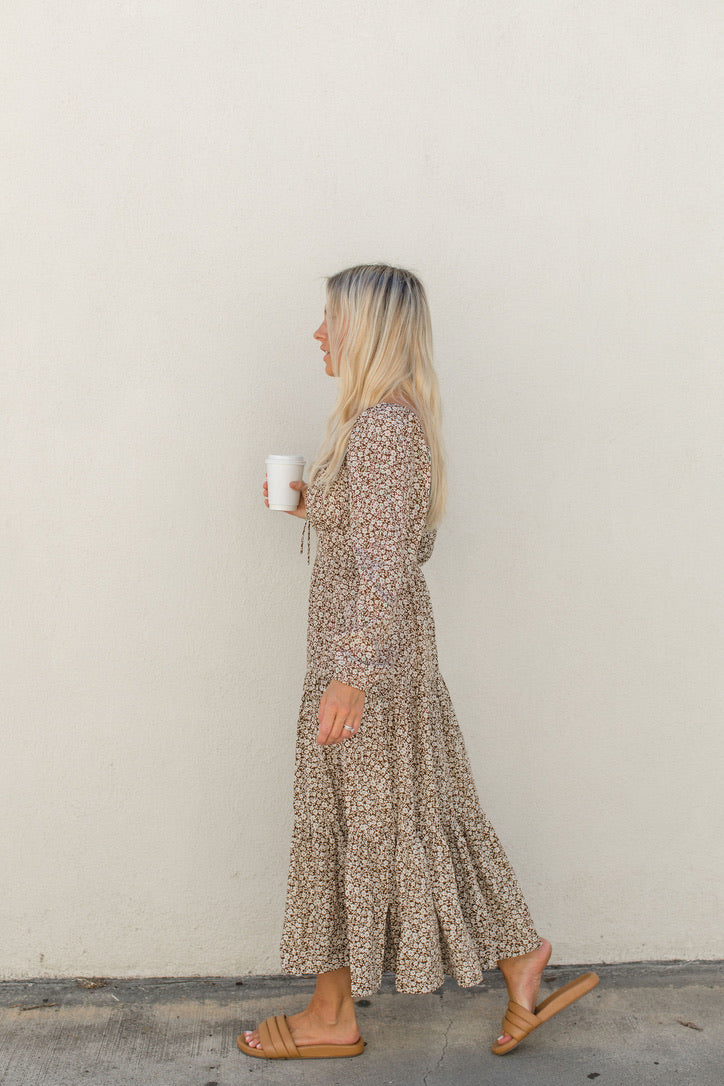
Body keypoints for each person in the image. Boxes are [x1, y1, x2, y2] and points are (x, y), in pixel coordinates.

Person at [239, 264, 597, 1061]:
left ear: (366, 330)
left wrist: (350, 676)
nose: (319, 334)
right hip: (376, 662)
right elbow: (390, 542)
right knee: (415, 814)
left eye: (330, 319)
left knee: (351, 826)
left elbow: (390, 568)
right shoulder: (386, 425)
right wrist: (314, 505)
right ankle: (519, 953)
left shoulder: (384, 431)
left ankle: (333, 1015)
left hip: (364, 668)